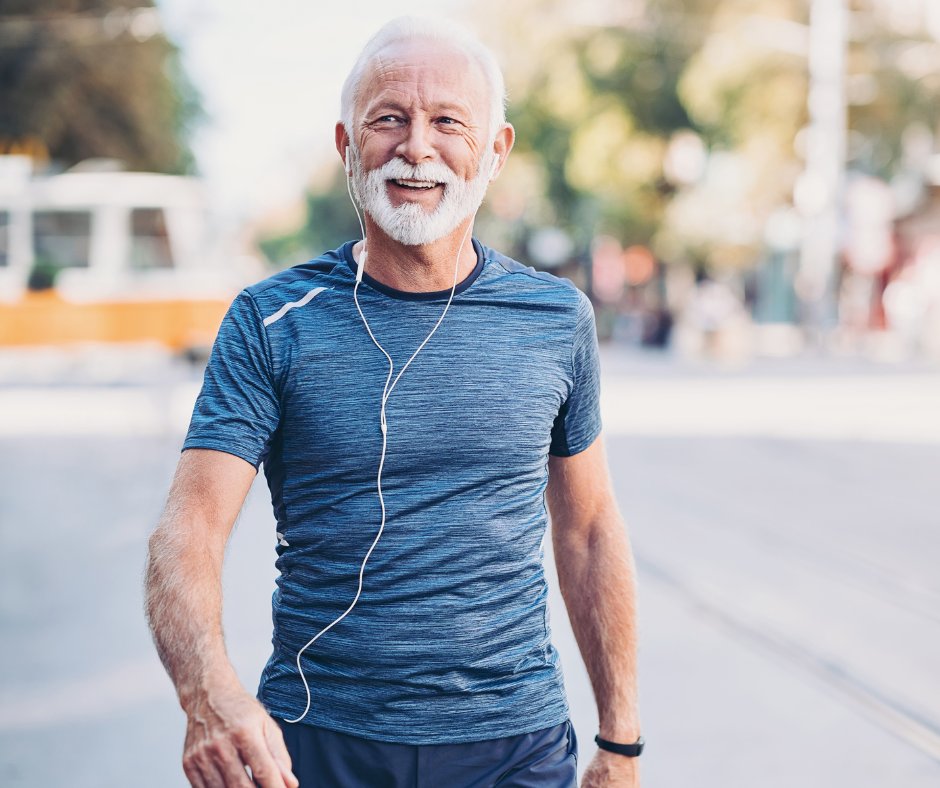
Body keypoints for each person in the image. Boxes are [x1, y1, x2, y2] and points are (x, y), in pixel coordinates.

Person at [145, 16, 641, 788]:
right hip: (318, 743)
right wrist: (206, 697)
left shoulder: (556, 318)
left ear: (496, 151)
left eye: (449, 121)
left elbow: (588, 530)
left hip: (514, 747)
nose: (417, 146)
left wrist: (621, 740)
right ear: (346, 146)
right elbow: (191, 528)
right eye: (388, 119)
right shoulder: (270, 320)